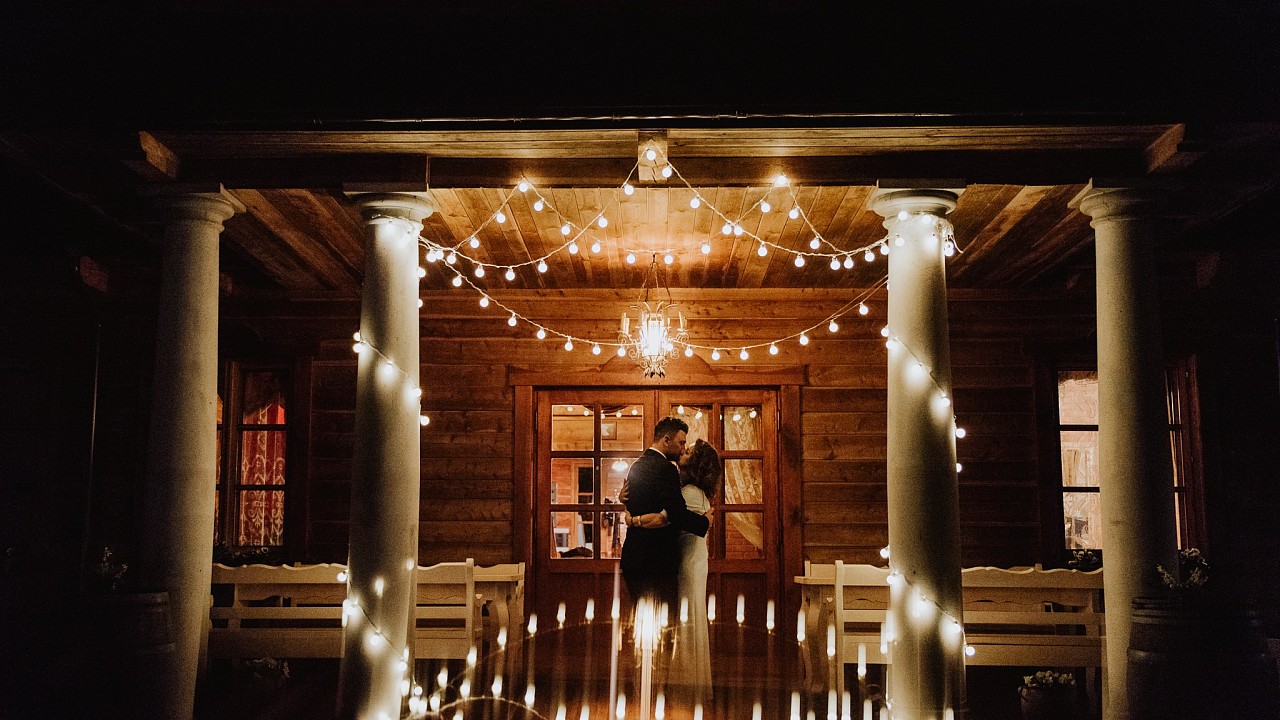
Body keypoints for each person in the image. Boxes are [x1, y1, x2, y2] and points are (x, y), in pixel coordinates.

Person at [629, 438, 720, 698]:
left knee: (685, 619)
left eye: (689, 450)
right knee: (689, 618)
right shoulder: (694, 491)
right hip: (693, 560)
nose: (683, 450)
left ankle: (685, 683)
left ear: (696, 463)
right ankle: (689, 679)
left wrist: (631, 518)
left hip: (687, 563)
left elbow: (661, 519)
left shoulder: (689, 492)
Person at [619, 417, 710, 619]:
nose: (682, 448)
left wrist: (630, 515)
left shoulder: (636, 465)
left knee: (641, 623)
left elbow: (632, 502)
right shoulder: (666, 469)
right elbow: (677, 514)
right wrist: (705, 522)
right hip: (656, 562)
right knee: (663, 626)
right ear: (666, 440)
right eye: (681, 442)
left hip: (633, 558)